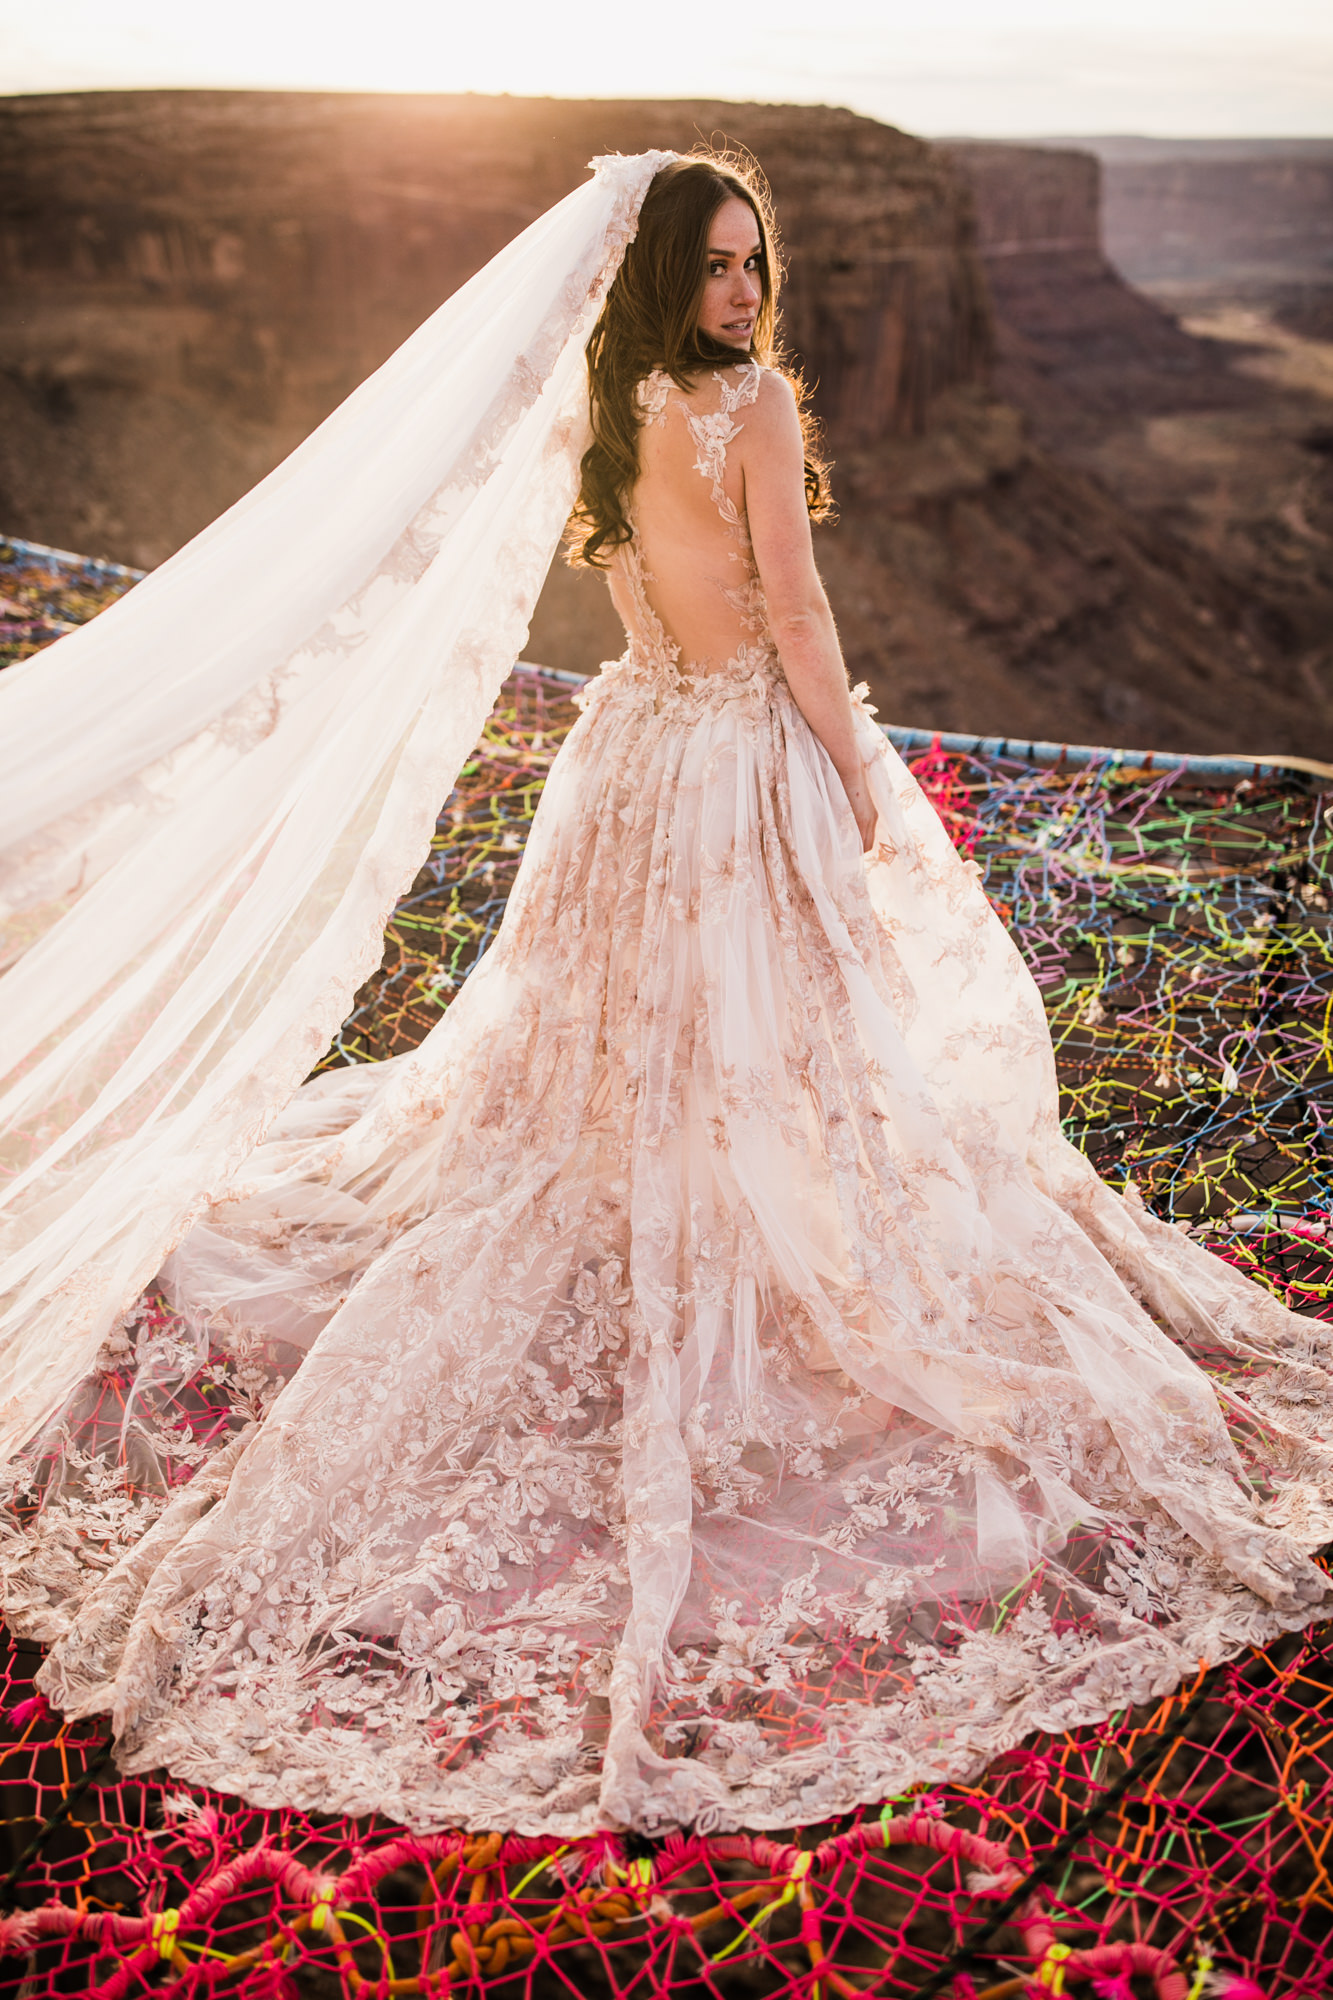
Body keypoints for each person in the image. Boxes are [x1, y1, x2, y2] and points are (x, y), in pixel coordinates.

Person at [1, 149, 1332, 1839]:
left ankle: (685, 1202)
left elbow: (636, 586)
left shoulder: (598, 393)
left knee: (633, 1048)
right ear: (661, 273)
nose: (743, 293)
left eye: (753, 265)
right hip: (727, 766)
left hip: (625, 751)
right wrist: (853, 769)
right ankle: (738, 1241)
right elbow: (795, 602)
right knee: (763, 1051)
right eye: (715, 264)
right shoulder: (748, 405)